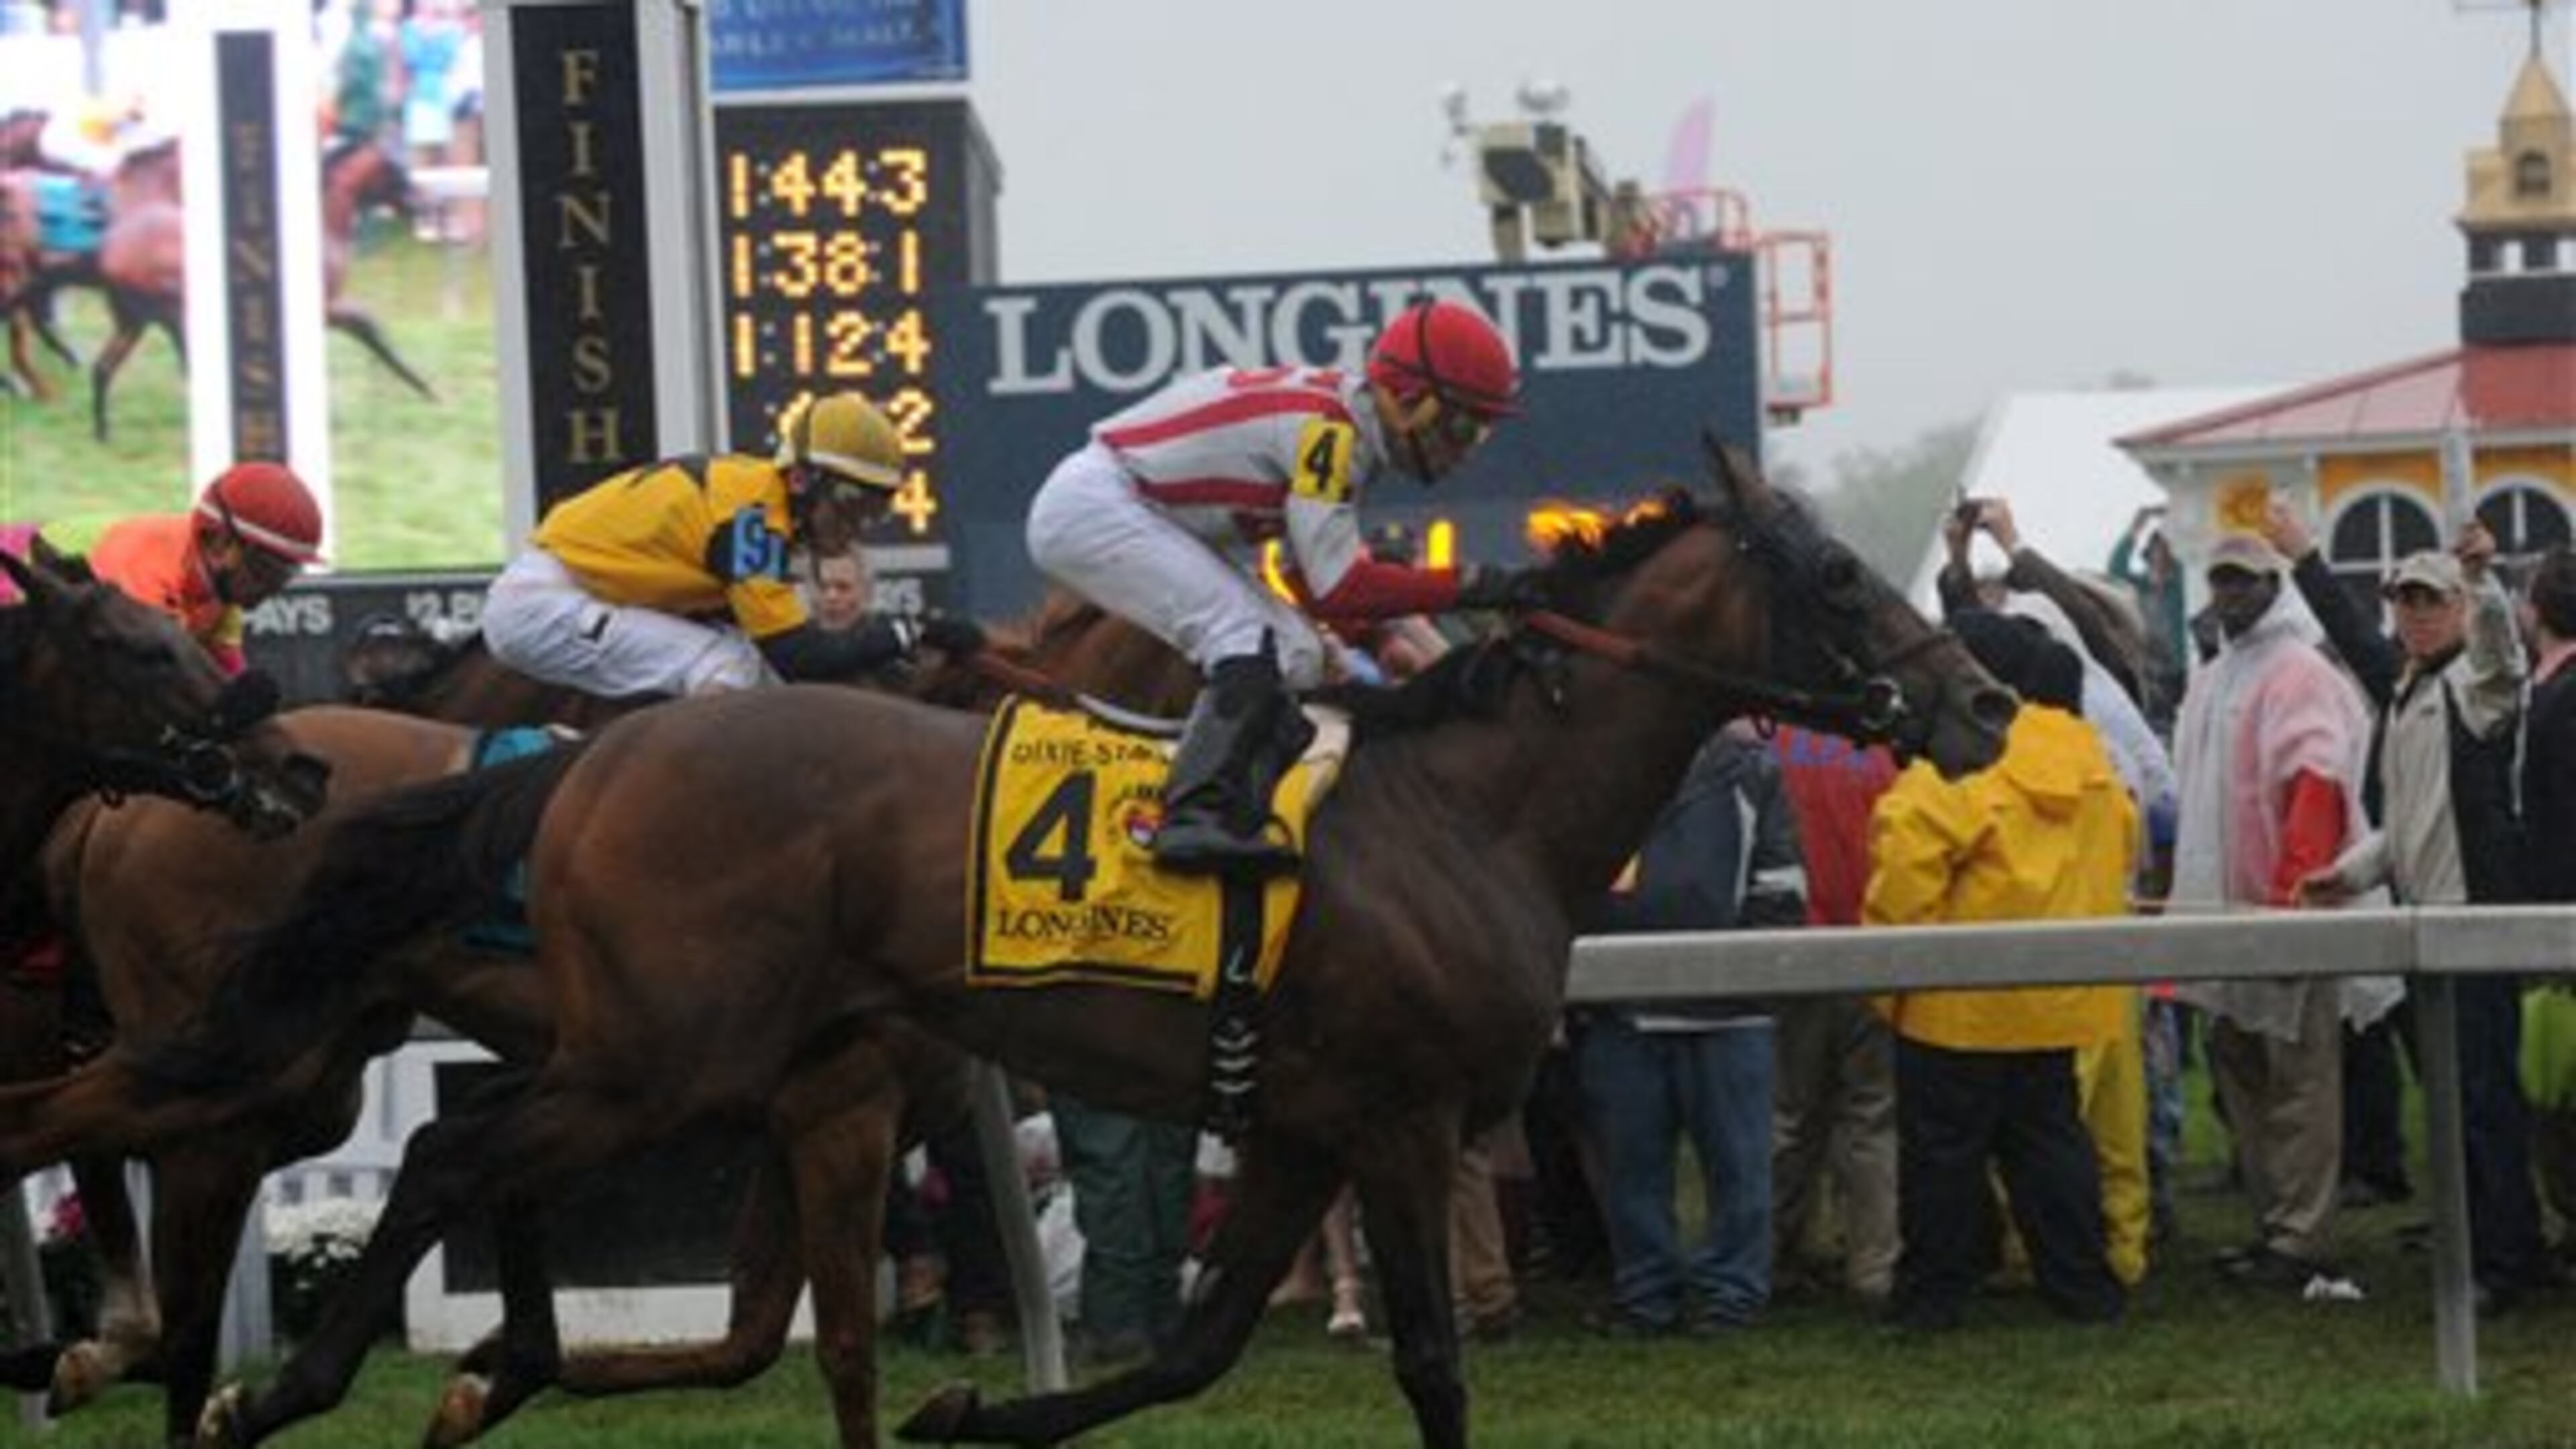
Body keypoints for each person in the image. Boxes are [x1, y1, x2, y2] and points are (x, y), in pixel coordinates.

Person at [1023, 299, 1538, 875]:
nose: (1467, 448)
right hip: (1099, 505)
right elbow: (1341, 586)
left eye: (1482, 432)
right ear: (1409, 400)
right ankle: (1190, 817)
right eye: (1464, 425)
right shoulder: (1331, 438)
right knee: (1242, 636)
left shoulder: (1344, 429)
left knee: (1300, 652)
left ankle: (1236, 798)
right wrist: (1472, 585)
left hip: (1124, 502)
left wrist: (1368, 637)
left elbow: (1312, 585)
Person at [2282, 508, 2551, 1313]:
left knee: (2482, 1104)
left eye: (2432, 600)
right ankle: (2495, 1247)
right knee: (2458, 1102)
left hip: (2472, 929)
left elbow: (2505, 661)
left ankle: (2507, 1266)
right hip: (2426, 924)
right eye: (2405, 599)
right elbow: (2408, 826)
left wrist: (2483, 582)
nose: (2417, 612)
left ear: (2459, 608)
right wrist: (2351, 871)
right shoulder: (2403, 691)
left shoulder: (2476, 690)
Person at [1868, 611, 2130, 1333]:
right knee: (2052, 1147)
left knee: (1942, 1160)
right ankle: (2084, 1290)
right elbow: (2122, 850)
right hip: (2055, 998)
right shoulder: (2090, 758)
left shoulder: (1955, 760)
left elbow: (1905, 869)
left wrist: (1889, 977)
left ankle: (1932, 1300)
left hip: (1954, 1003)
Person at [2168, 533, 2392, 1297]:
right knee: (2241, 1072)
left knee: (2300, 1081)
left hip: (2288, 907)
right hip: (2222, 916)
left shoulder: (2298, 671)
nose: (2231, 594)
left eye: (2248, 581)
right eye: (2222, 579)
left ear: (2275, 588)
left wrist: (2294, 901)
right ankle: (2275, 1225)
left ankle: (2305, 1236)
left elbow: (2318, 781)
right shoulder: (2215, 676)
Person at [480, 390, 979, 699]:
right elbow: (799, 656)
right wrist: (910, 631)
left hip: (577, 595)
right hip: (541, 605)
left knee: (746, 666)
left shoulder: (760, 501)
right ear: (803, 478)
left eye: (874, 509)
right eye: (851, 503)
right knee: (728, 667)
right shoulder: (753, 517)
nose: (857, 525)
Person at [1576, 724, 1802, 1336]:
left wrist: (1754, 968)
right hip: (1621, 1008)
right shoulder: (1595, 761)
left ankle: (1731, 1296)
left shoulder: (1752, 768)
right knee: (1631, 1170)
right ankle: (1647, 1295)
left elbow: (1780, 881)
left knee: (1740, 1170)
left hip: (1731, 1012)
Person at [1766, 724, 1900, 1305]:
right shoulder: (1879, 752)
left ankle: (1773, 1256)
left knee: (1787, 1116)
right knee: (1872, 1115)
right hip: (1873, 948)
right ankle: (1875, 1266)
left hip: (1793, 952)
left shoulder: (1762, 746)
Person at [37, 462, 325, 678]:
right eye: (267, 571)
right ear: (220, 544)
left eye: (288, 574)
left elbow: (228, 680)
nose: (273, 588)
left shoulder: (223, 591)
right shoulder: (145, 572)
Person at [808, 549, 873, 634]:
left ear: (866, 591)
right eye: (823, 587)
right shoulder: (791, 641)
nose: (831, 597)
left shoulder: (891, 639)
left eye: (843, 587)